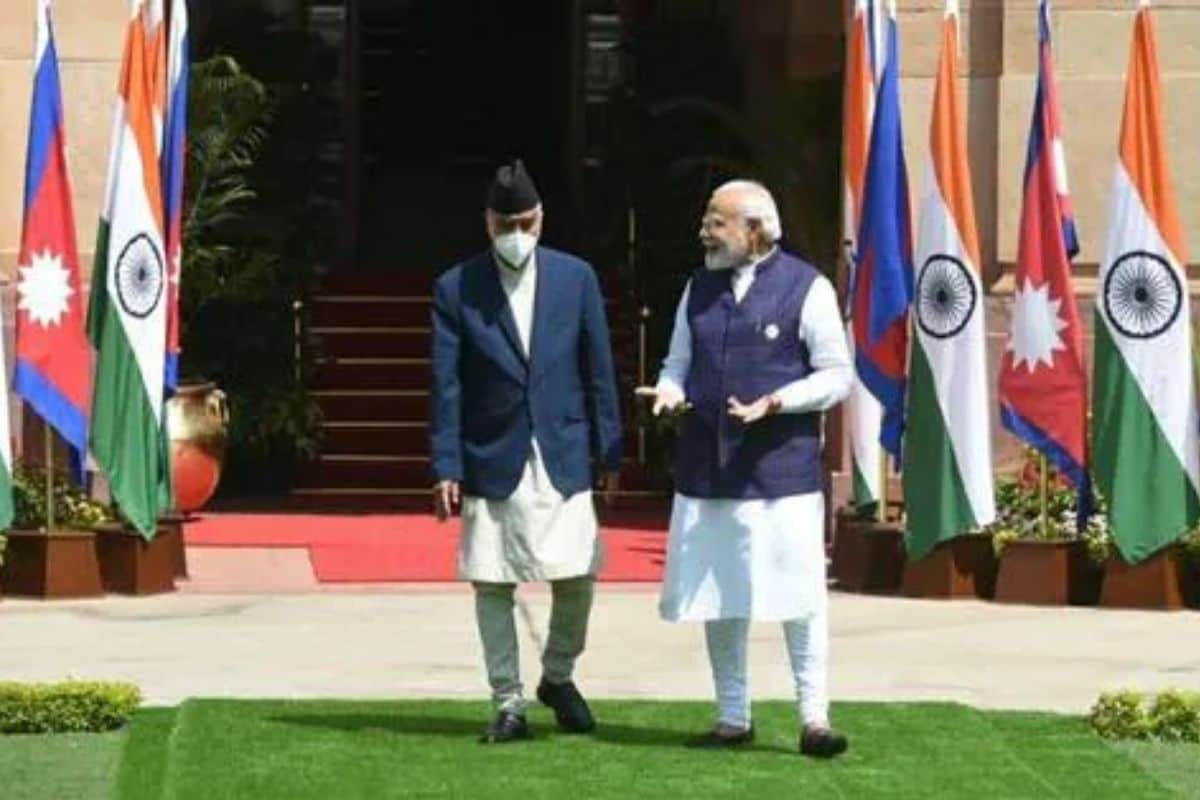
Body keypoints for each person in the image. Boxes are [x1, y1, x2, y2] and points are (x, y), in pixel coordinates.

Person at [637, 179, 853, 757]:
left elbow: (837, 374)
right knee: (720, 594)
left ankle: (814, 718)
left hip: (781, 474)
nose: (704, 232)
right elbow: (677, 363)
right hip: (709, 469)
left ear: (754, 230)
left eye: (717, 222)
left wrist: (778, 401)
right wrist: (668, 392)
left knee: (800, 596)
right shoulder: (698, 288)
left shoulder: (807, 287)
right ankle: (732, 716)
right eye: (707, 220)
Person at [430, 159, 623, 744]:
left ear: (541, 219)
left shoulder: (576, 278)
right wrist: (446, 464)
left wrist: (610, 452)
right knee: (491, 580)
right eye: (505, 224)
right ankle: (508, 701)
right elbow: (446, 385)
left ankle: (557, 676)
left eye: (526, 223)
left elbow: (599, 370)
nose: (516, 233)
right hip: (492, 451)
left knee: (579, 574)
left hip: (563, 448)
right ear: (487, 223)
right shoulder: (457, 287)